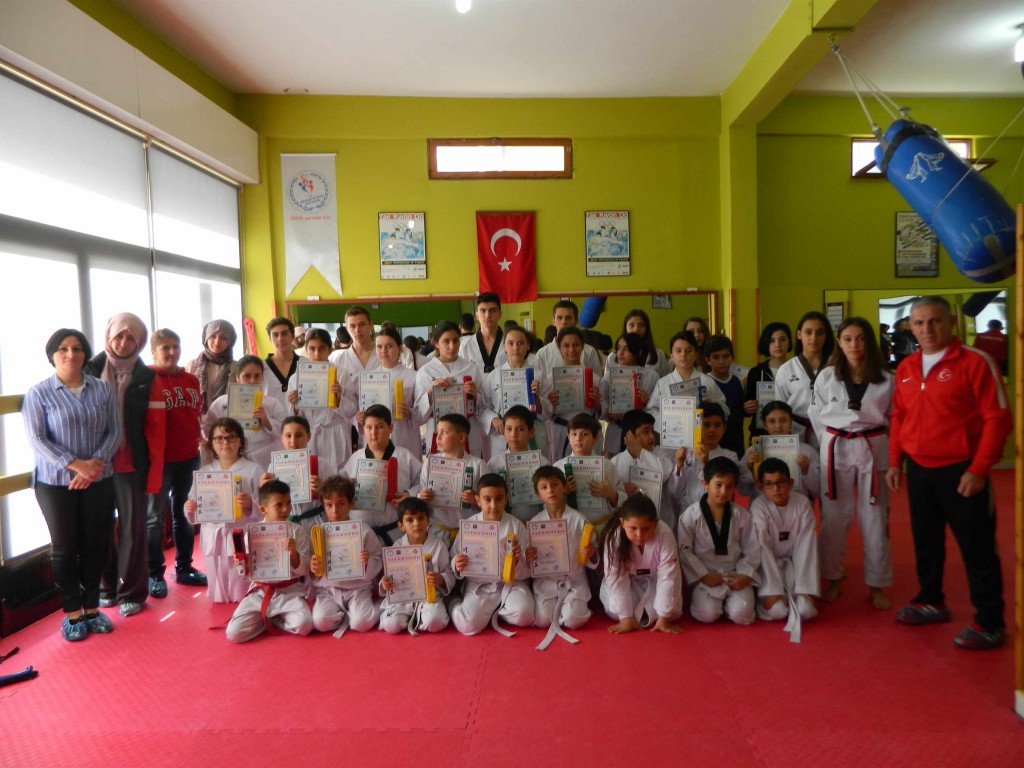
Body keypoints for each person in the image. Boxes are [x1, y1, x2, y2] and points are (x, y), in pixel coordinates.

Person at [886, 296, 1012, 650]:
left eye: (935, 321)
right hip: (919, 470)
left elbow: (997, 419)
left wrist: (979, 469)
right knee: (925, 540)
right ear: (910, 327)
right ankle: (931, 600)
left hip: (962, 471)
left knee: (977, 546)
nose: (927, 329)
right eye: (919, 322)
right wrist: (895, 461)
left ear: (951, 322)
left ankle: (989, 621)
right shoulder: (907, 367)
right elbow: (899, 416)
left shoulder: (976, 362)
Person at [23, 329, 120, 641]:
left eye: (77, 348)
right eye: (63, 349)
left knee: (95, 543)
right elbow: (38, 439)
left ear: (85, 354)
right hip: (54, 484)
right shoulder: (39, 393)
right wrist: (77, 464)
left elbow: (114, 431)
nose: (70, 354)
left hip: (99, 479)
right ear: (52, 355)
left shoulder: (102, 388)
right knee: (64, 547)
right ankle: (72, 613)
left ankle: (92, 608)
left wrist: (94, 465)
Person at [85, 313, 165, 619]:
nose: (123, 342)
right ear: (109, 336)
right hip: (96, 465)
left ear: (140, 342)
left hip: (132, 465)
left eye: (131, 338)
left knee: (133, 529)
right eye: (119, 336)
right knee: (99, 528)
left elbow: (155, 429)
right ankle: (106, 588)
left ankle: (131, 592)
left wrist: (154, 473)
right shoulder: (90, 370)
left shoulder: (147, 377)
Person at [809, 317, 893, 609]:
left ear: (869, 341)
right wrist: (828, 440)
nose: (854, 344)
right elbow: (816, 413)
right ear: (839, 343)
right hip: (836, 446)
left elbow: (894, 418)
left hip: (873, 446)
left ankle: (878, 584)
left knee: (875, 516)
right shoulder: (827, 376)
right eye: (847, 339)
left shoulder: (886, 379)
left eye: (860, 338)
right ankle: (832, 578)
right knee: (834, 515)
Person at [148, 329, 207, 595]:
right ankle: (154, 574)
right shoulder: (148, 380)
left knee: (186, 513)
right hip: (159, 461)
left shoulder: (191, 380)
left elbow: (195, 415)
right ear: (154, 352)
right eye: (165, 348)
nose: (172, 352)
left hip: (189, 456)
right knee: (154, 518)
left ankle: (184, 568)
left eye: (175, 346)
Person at [184, 418, 263, 602]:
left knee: (241, 582)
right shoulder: (204, 472)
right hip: (214, 533)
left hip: (240, 532)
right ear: (211, 443)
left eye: (230, 437)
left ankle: (244, 601)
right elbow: (193, 502)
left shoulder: (254, 470)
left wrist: (250, 505)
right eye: (219, 438)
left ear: (240, 441)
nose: (225, 442)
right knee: (217, 578)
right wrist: (190, 508)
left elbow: (266, 507)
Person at [225, 479, 313, 642]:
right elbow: (246, 575)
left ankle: (273, 618)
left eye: (288, 503)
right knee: (234, 633)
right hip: (260, 592)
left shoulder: (297, 532)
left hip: (289, 591)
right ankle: (269, 617)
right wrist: (243, 564)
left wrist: (293, 553)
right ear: (263, 509)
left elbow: (303, 571)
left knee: (305, 625)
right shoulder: (253, 533)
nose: (286, 509)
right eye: (279, 505)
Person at [677, 456, 760, 625]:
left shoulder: (741, 515)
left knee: (742, 615)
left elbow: (752, 547)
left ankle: (732, 604)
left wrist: (745, 575)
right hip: (707, 575)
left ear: (735, 487)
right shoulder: (691, 516)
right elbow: (684, 550)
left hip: (735, 573)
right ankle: (712, 602)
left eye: (729, 486)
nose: (723, 491)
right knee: (707, 614)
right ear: (705, 484)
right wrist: (702, 574)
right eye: (718, 485)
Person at [450, 474, 535, 635]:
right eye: (487, 499)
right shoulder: (469, 526)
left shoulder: (516, 526)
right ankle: (453, 603)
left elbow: (528, 570)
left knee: (525, 615)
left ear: (506, 499)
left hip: (511, 584)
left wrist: (518, 561)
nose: (493, 505)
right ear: (478, 500)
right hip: (479, 585)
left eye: (499, 499)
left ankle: (493, 612)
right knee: (467, 625)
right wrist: (457, 562)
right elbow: (454, 556)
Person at [528, 466, 598, 637]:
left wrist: (591, 553)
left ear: (565, 487)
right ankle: (560, 610)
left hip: (574, 580)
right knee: (543, 620)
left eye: (555, 485)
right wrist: (528, 556)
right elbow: (529, 561)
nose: (550, 490)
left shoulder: (580, 520)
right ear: (538, 494)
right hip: (546, 580)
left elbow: (593, 555)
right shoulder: (535, 523)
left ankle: (571, 610)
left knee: (573, 620)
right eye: (544, 487)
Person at [750, 458, 819, 627]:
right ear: (760, 487)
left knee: (805, 610)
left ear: (791, 483)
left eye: (781, 482)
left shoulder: (802, 503)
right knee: (777, 611)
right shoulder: (758, 507)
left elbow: (807, 545)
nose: (776, 489)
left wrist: (804, 589)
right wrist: (772, 589)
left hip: (796, 565)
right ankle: (765, 594)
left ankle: (800, 590)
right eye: (769, 484)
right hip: (768, 568)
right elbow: (762, 548)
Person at [599, 493, 682, 634]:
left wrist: (664, 618)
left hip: (656, 580)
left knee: (669, 611)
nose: (639, 535)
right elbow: (615, 578)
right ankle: (629, 615)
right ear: (622, 523)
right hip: (628, 582)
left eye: (646, 529)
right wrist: (625, 618)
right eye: (633, 528)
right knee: (615, 610)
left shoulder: (665, 535)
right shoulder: (615, 539)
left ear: (656, 523)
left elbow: (668, 577)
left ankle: (658, 615)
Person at [309, 476, 382, 634]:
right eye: (329, 505)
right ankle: (346, 615)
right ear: (323, 506)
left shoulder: (363, 530)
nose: (335, 511)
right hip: (329, 590)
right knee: (320, 622)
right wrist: (313, 567)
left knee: (361, 624)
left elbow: (378, 559)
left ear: (351, 503)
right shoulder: (319, 532)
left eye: (341, 504)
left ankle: (382, 606)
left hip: (358, 588)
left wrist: (368, 561)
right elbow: (314, 571)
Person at [341, 404, 421, 545]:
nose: (374, 433)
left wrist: (409, 494)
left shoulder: (405, 456)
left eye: (380, 427)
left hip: (395, 531)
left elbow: (423, 482)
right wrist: (347, 486)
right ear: (363, 429)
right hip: (362, 533)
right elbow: (339, 488)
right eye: (369, 427)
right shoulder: (356, 458)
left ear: (391, 428)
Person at [379, 497, 455, 634]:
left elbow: (448, 573)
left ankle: (420, 619)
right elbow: (389, 577)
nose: (416, 524)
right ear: (401, 526)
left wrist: (441, 579)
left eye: (420, 518)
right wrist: (385, 584)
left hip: (429, 596)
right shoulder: (397, 546)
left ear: (428, 520)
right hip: (403, 598)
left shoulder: (438, 545)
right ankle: (411, 617)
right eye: (410, 520)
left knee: (435, 623)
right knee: (391, 626)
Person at [286, 328, 355, 474]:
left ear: (330, 350)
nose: (317, 354)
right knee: (312, 475)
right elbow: (292, 417)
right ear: (306, 350)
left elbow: (352, 411)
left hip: (335, 433)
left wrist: (338, 398)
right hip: (310, 433)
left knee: (337, 477)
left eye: (322, 348)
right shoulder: (296, 377)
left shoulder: (341, 374)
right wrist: (295, 404)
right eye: (312, 349)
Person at [201, 354, 286, 471]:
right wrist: (221, 437)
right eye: (247, 376)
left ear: (263, 377)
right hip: (230, 458)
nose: (252, 381)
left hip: (263, 458)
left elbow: (285, 431)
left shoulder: (272, 403)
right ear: (238, 378)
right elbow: (207, 427)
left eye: (257, 376)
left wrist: (267, 421)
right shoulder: (222, 402)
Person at [645, 330, 727, 449]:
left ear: (696, 354)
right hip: (672, 441)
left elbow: (724, 409)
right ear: (672, 355)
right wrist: (666, 422)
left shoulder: (706, 382)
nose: (683, 355)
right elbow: (651, 410)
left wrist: (712, 407)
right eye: (678, 351)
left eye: (688, 350)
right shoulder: (663, 383)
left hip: (701, 441)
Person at [414, 320, 484, 456]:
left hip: (468, 433)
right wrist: (430, 392)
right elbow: (418, 414)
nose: (452, 346)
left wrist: (475, 395)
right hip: (438, 435)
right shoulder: (426, 372)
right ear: (436, 343)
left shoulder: (471, 368)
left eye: (456, 340)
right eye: (446, 341)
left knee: (470, 467)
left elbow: (484, 406)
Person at [480, 325, 550, 460]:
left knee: (535, 470)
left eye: (521, 343)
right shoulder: (493, 376)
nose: (515, 348)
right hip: (503, 433)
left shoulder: (538, 375)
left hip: (532, 432)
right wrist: (493, 419)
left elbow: (549, 412)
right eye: (510, 343)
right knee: (503, 469)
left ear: (528, 346)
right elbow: (484, 407)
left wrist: (537, 399)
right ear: (504, 347)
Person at [610, 409, 684, 527]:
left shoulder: (661, 453)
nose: (651, 436)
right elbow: (611, 498)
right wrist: (621, 491)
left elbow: (661, 475)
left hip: (661, 521)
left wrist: (639, 451)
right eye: (646, 432)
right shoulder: (615, 463)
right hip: (630, 526)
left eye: (652, 431)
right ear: (629, 435)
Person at [416, 412, 487, 534]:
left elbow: (489, 500)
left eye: (444, 432)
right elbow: (421, 495)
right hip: (437, 530)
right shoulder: (430, 463)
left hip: (469, 530)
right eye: (437, 432)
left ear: (461, 437)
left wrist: (476, 500)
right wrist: (422, 497)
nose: (438, 437)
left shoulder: (478, 465)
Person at [554, 413, 626, 529]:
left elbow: (623, 500)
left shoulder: (607, 465)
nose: (578, 439)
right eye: (574, 434)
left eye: (584, 434)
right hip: (572, 527)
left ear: (595, 438)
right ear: (568, 436)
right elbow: (549, 502)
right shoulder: (559, 467)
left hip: (601, 527)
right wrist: (563, 491)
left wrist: (610, 493)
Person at [738, 400, 820, 501]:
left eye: (783, 420)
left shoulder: (807, 451)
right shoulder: (754, 451)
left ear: (791, 422)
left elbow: (819, 490)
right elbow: (743, 490)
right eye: (772, 421)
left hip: (798, 506)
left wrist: (807, 469)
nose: (778, 426)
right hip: (763, 507)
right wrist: (750, 468)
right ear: (765, 424)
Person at [775, 311, 834, 450]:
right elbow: (780, 407)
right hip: (796, 430)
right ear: (799, 334)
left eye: (820, 333)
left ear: (826, 336)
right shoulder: (786, 369)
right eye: (808, 332)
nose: (814, 338)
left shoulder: (835, 366)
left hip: (828, 427)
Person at [360, 327, 421, 456]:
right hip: (375, 436)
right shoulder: (368, 378)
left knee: (404, 464)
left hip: (403, 434)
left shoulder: (413, 376)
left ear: (400, 348)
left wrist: (410, 413)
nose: (383, 351)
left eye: (389, 346)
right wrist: (360, 416)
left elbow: (422, 411)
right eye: (379, 347)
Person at [545, 326, 603, 461]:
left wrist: (597, 403)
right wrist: (550, 402)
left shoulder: (594, 379)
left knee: (590, 469)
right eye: (566, 346)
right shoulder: (551, 379)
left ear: (583, 347)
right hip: (562, 430)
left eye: (576, 345)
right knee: (562, 470)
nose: (571, 350)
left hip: (588, 431)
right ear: (559, 348)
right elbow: (545, 413)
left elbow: (603, 412)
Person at [601, 332, 658, 457]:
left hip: (641, 432)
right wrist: (610, 411)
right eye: (618, 348)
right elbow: (602, 400)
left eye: (626, 349)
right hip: (616, 428)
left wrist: (648, 401)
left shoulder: (651, 376)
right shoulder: (610, 375)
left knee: (641, 463)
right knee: (614, 466)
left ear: (639, 352)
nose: (620, 353)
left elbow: (657, 406)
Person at [743, 322, 791, 444]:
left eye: (782, 340)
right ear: (766, 343)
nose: (778, 345)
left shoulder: (796, 370)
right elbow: (748, 406)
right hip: (761, 434)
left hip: (791, 434)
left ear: (789, 342)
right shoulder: (756, 372)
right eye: (772, 341)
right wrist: (746, 408)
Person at [703, 334, 745, 456]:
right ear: (708, 360)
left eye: (726, 356)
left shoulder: (738, 381)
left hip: (736, 438)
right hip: (714, 440)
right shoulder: (705, 383)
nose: (721, 361)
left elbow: (740, 409)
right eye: (716, 357)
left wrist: (746, 408)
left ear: (732, 358)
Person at [185, 319, 237, 415]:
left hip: (225, 421)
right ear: (206, 338)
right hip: (197, 419)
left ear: (230, 341)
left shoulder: (236, 367)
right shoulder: (192, 365)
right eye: (213, 336)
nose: (217, 342)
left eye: (223, 338)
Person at [534, 300, 602, 373]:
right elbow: (536, 379)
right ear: (553, 321)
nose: (563, 322)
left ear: (576, 321)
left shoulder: (589, 351)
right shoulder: (542, 354)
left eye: (568, 318)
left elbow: (598, 379)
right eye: (559, 318)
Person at [459, 292, 506, 374]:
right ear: (477, 315)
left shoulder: (511, 343)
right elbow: (460, 373)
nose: (487, 315)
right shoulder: (466, 345)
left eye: (492, 311)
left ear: (500, 314)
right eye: (483, 311)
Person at [262, 317, 299, 411]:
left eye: (284, 334)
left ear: (292, 336)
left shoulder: (306, 364)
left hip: (301, 419)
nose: (280, 339)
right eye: (275, 335)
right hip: (270, 419)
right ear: (270, 338)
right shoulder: (261, 368)